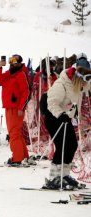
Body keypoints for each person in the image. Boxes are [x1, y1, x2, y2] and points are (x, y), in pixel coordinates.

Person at [42, 54, 90, 189]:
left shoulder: (79, 83)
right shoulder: (62, 83)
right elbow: (51, 103)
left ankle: (64, 175)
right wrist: (60, 114)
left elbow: (88, 87)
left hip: (66, 118)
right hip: (54, 117)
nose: (84, 81)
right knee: (62, 146)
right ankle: (53, 178)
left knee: (72, 145)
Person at [0, 54, 32, 166]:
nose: (12, 63)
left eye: (14, 61)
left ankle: (17, 158)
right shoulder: (9, 74)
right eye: (11, 61)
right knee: (16, 133)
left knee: (14, 134)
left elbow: (26, 92)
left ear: (20, 63)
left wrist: (21, 107)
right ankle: (24, 155)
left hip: (16, 108)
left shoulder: (21, 74)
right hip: (9, 107)